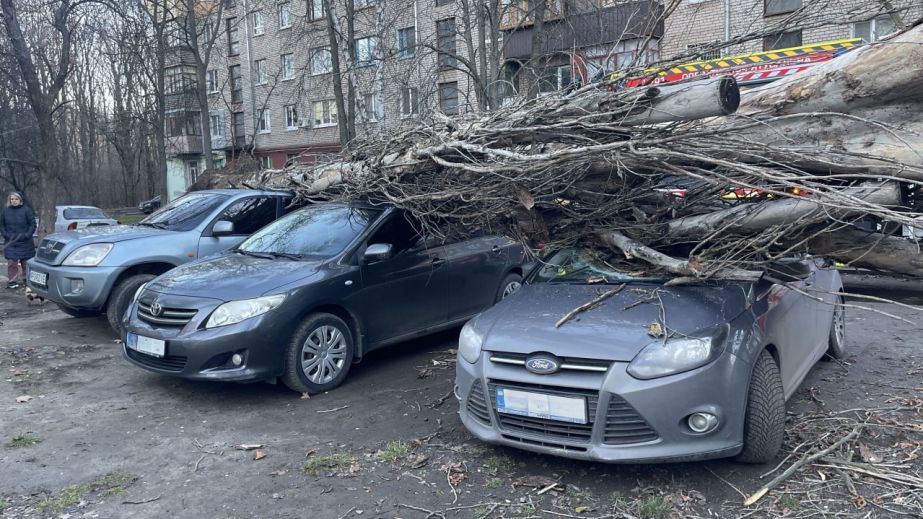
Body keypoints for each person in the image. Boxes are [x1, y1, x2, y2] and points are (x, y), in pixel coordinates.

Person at [0, 191, 37, 289]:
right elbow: (2, 225)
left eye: (16, 199)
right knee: (12, 262)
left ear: (20, 200)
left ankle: (26, 280)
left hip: (25, 241)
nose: (14, 201)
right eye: (12, 199)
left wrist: (27, 235)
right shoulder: (5, 211)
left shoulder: (27, 210)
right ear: (9, 200)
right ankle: (12, 281)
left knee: (26, 262)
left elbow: (32, 224)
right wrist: (6, 235)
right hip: (11, 241)